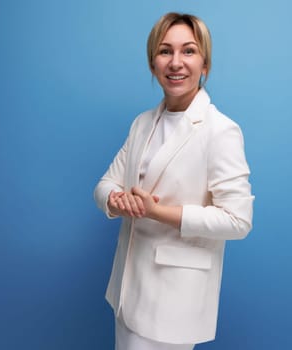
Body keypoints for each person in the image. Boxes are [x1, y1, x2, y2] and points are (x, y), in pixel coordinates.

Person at [94, 12, 254, 350]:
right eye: (165, 51)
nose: (176, 62)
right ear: (152, 64)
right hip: (126, 292)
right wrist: (115, 200)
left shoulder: (220, 130)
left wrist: (156, 211)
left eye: (189, 51)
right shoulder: (142, 123)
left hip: (172, 301)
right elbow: (106, 183)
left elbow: (238, 221)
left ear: (205, 64)